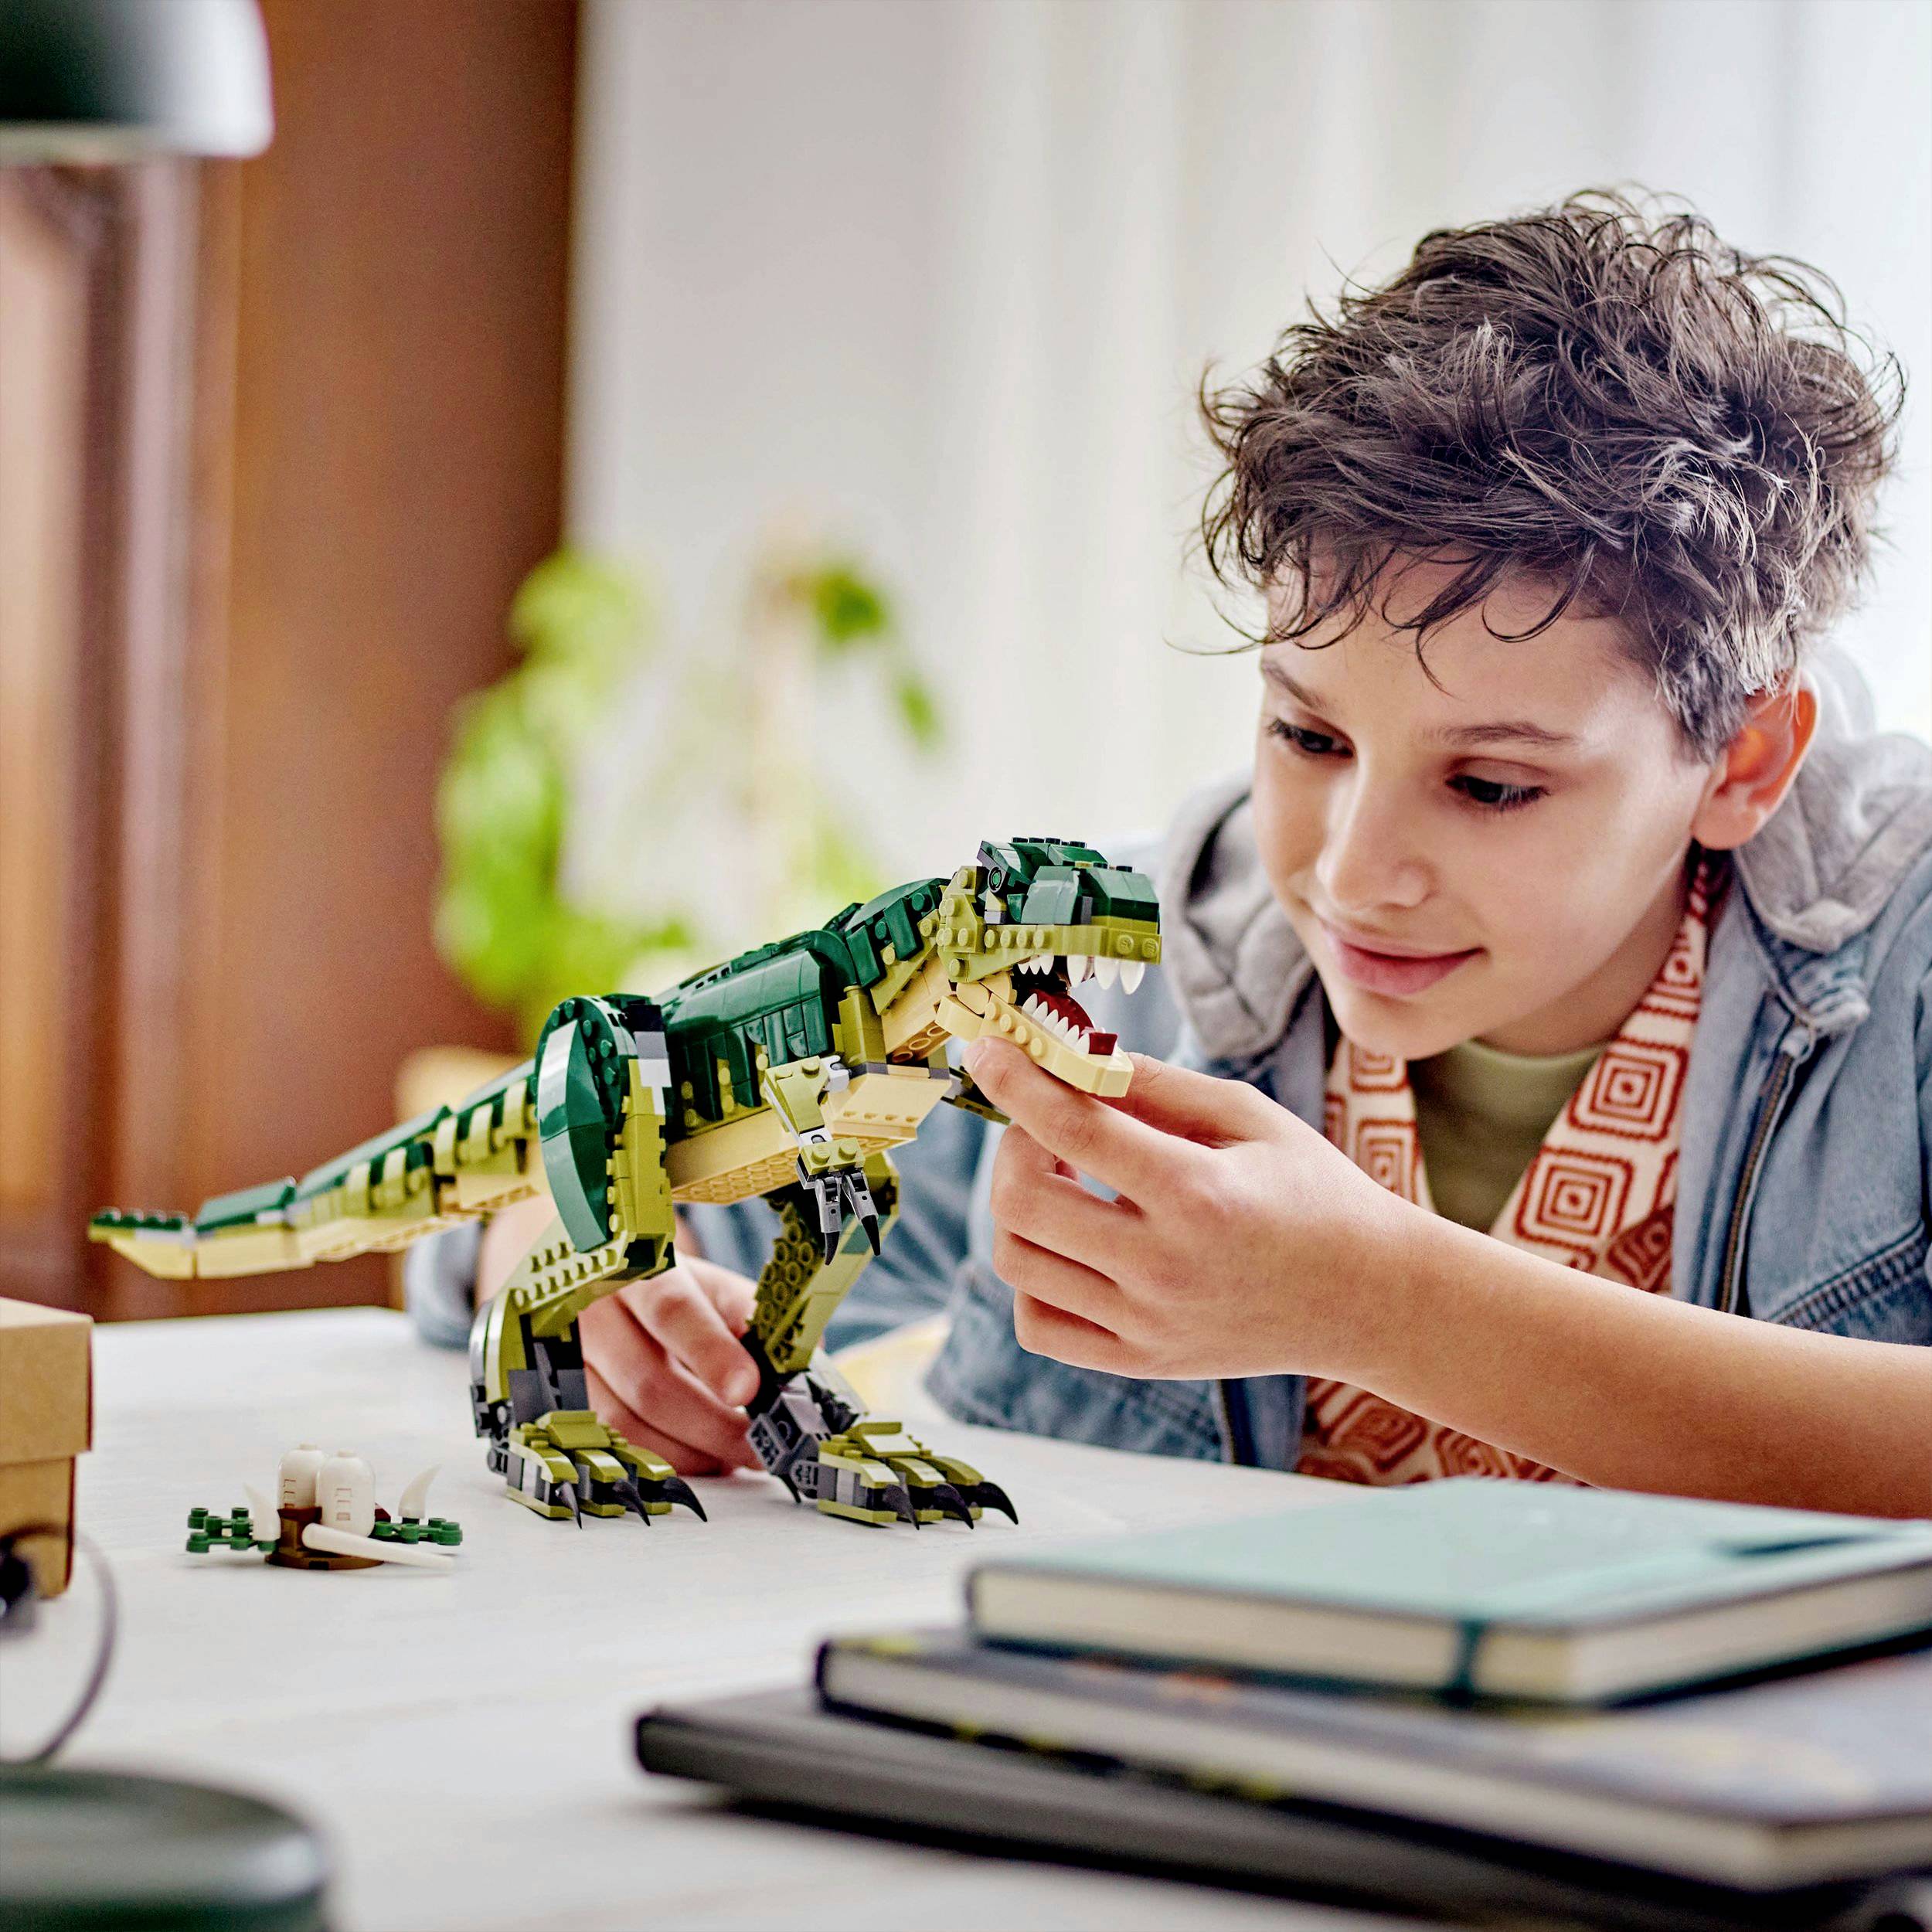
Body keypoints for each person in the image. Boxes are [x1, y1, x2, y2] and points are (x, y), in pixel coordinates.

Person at [410, 192, 1931, 1514]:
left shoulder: (1903, 961)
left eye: (1487, 785)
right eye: (1307, 739)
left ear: (1740, 756)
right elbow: (570, 1142)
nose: (1348, 872)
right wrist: (590, 1278)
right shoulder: (1107, 968)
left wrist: (1378, 1302)